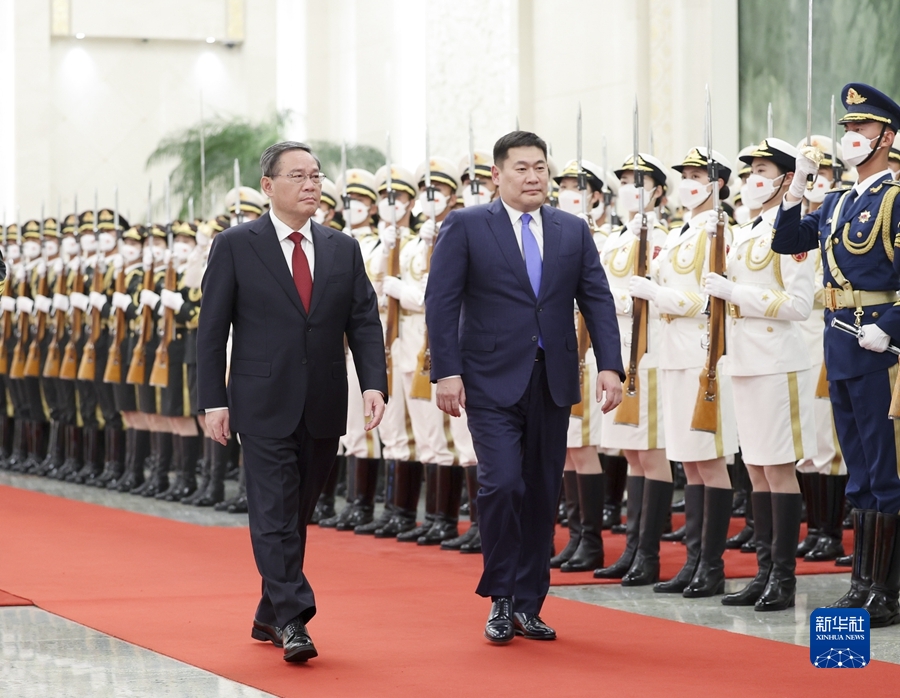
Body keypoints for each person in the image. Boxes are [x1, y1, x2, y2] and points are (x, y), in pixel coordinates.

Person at [425, 131, 623, 644]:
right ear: (497, 174)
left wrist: (610, 365)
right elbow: (441, 302)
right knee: (502, 483)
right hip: (488, 379)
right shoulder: (467, 226)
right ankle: (501, 597)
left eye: (540, 167)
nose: (533, 177)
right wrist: (445, 371)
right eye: (521, 168)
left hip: (552, 379)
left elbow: (596, 299)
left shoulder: (571, 230)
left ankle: (530, 602)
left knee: (539, 491)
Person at [198, 141, 388, 662]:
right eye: (298, 176)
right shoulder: (236, 244)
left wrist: (374, 383)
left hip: (324, 399)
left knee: (297, 511)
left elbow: (364, 322)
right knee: (274, 509)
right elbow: (212, 331)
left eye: (316, 175)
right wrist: (213, 399)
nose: (312, 185)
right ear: (268, 186)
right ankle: (294, 618)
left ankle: (268, 611)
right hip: (260, 401)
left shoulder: (341, 247)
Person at [772, 83, 900, 627]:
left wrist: (892, 329)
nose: (851, 137)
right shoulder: (843, 201)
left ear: (886, 137)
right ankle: (863, 584)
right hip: (840, 341)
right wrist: (796, 188)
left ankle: (888, 593)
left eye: (861, 129)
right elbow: (786, 241)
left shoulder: (895, 199)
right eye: (846, 129)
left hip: (877, 346)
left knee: (884, 468)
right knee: (860, 471)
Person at [707, 137, 816, 612]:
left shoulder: (794, 230)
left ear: (786, 179)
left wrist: (736, 294)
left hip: (776, 360)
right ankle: (764, 571)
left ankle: (784, 579)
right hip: (745, 361)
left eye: (763, 169)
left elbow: (797, 305)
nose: (753, 177)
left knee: (777, 468)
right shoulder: (748, 229)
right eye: (749, 169)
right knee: (755, 468)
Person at [630, 147, 739, 597]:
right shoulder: (680, 232)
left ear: (717, 185)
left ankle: (711, 565)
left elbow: (710, 302)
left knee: (709, 460)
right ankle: (693, 560)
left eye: (699, 175)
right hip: (672, 353)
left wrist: (659, 295)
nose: (689, 181)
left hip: (703, 351)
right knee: (690, 462)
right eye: (686, 175)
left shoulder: (718, 231)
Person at [593, 153, 672, 587]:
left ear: (659, 191)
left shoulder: (663, 236)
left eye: (639, 182)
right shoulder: (617, 238)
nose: (630, 188)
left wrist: (622, 301)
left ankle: (649, 553)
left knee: (651, 451)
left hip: (650, 351)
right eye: (624, 181)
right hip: (618, 350)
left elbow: (660, 295)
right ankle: (632, 547)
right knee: (631, 452)